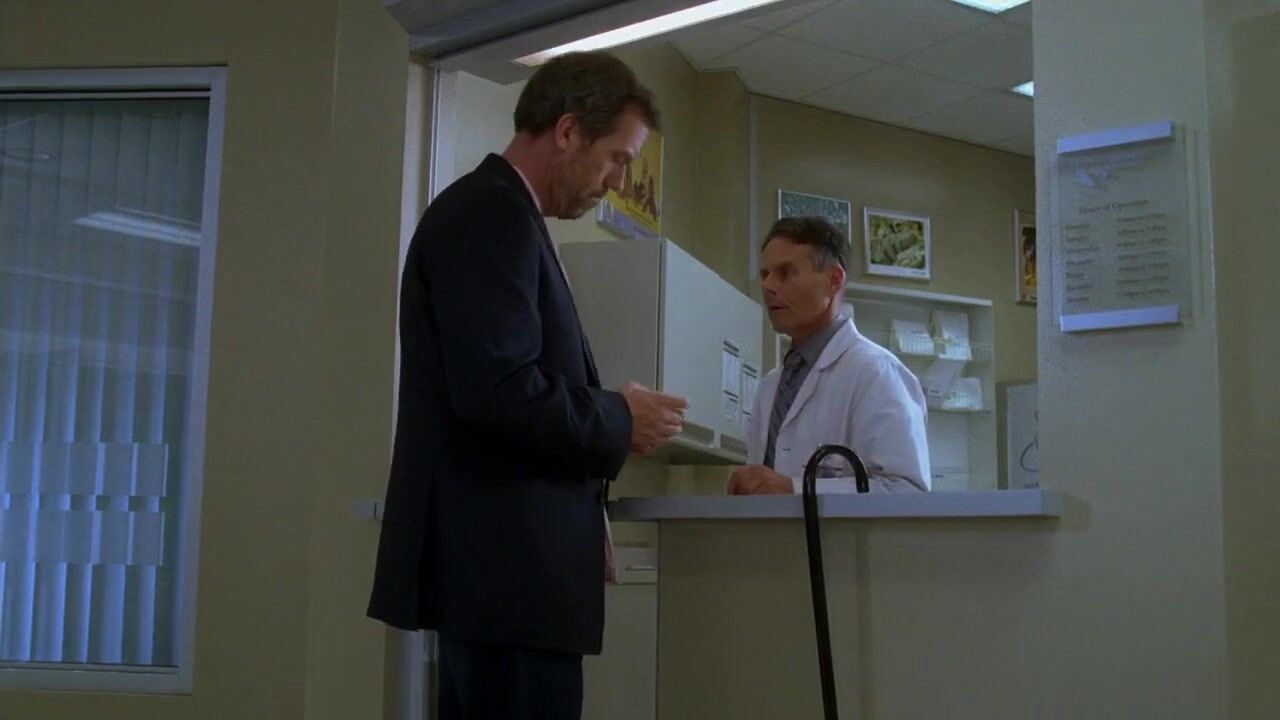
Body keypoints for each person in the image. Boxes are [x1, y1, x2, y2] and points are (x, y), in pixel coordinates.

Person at [367, 52, 689, 719]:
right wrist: (619, 417)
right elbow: (499, 389)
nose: (616, 181)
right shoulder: (492, 214)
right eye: (617, 158)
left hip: (501, 589)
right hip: (508, 586)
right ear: (568, 131)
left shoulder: (502, 215)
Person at [728, 216, 930, 495]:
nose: (768, 286)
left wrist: (793, 489)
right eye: (765, 275)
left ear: (834, 280)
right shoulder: (771, 386)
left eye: (785, 273)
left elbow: (906, 491)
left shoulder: (876, 372)